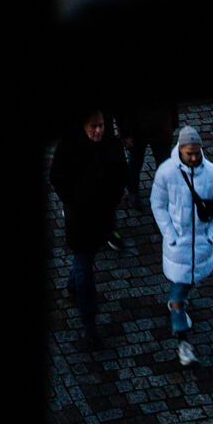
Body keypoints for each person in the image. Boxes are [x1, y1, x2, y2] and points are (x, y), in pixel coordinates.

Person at [150, 125, 213, 366]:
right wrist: (170, 235)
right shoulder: (166, 173)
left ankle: (177, 304)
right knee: (180, 292)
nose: (194, 158)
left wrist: (212, 235)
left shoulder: (212, 173)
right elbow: (158, 204)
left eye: (197, 153)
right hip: (179, 247)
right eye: (189, 153)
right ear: (180, 150)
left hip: (202, 246)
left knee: (188, 282)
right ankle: (182, 339)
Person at [50, 110, 128, 348]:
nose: (98, 131)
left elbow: (121, 174)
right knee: (85, 269)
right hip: (81, 221)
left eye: (101, 126)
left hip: (103, 217)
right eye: (93, 126)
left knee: (82, 263)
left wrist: (112, 200)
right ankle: (89, 325)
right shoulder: (69, 146)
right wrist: (74, 201)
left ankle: (72, 284)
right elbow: (57, 177)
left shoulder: (111, 145)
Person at [116, 93, 179, 199]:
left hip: (160, 126)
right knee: (135, 162)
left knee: (164, 162)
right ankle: (133, 191)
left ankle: (164, 192)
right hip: (136, 128)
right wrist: (124, 132)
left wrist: (173, 122)